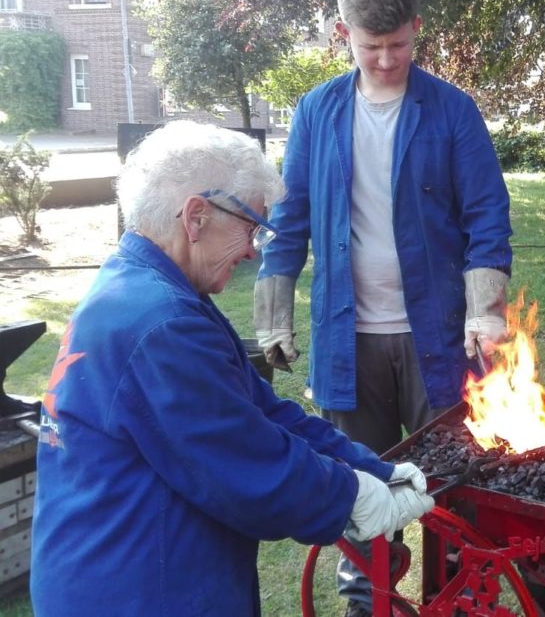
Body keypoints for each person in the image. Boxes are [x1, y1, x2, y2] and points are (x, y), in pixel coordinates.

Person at [29, 121, 433, 616]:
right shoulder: (162, 324)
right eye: (250, 228)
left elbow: (264, 413)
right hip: (138, 587)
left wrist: (377, 468)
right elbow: (246, 464)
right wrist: (349, 495)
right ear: (195, 216)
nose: (250, 251)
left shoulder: (152, 290)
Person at [253, 0, 513, 616]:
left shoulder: (453, 111)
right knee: (360, 493)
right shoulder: (316, 113)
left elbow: (488, 215)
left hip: (436, 341)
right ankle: (368, 606)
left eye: (399, 45)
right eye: (373, 47)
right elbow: (289, 220)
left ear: (416, 30)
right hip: (349, 343)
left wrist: (485, 310)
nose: (388, 60)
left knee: (455, 488)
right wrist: (274, 311)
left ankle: (458, 601)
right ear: (343, 34)